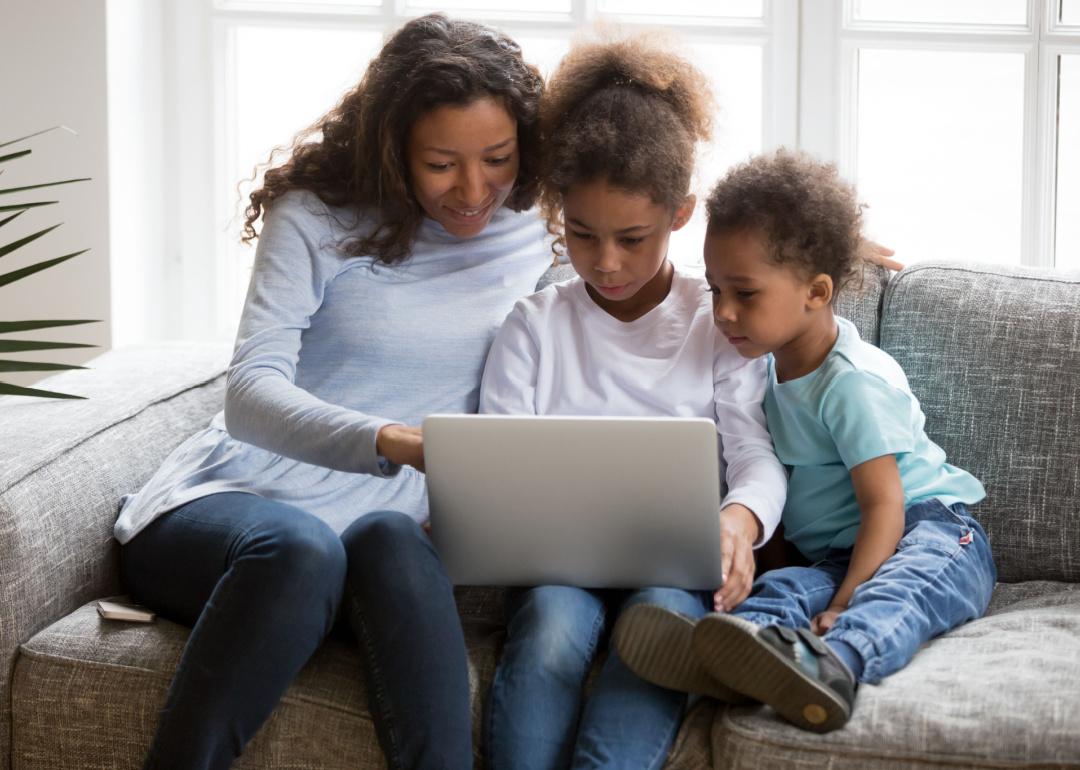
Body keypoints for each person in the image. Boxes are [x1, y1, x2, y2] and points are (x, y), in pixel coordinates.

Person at [113, 14, 551, 770]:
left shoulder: (540, 224)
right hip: (236, 508)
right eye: (442, 163)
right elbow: (248, 393)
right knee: (301, 550)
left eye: (498, 158)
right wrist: (397, 442)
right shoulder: (315, 216)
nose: (475, 189)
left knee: (384, 545)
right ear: (393, 150)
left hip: (383, 530)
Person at [478, 35, 788, 770]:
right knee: (552, 625)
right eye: (581, 234)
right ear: (557, 213)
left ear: (681, 214)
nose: (606, 262)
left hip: (676, 566)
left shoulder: (718, 321)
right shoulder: (534, 326)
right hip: (558, 564)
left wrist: (737, 528)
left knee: (658, 629)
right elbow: (496, 465)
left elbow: (756, 458)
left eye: (632, 238)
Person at [613, 150, 997, 734]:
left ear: (817, 292)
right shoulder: (758, 370)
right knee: (780, 591)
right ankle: (730, 656)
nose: (722, 312)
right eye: (716, 290)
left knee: (898, 592)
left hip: (930, 529)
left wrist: (843, 604)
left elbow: (884, 506)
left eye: (744, 293)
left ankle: (836, 663)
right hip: (841, 553)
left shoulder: (850, 384)